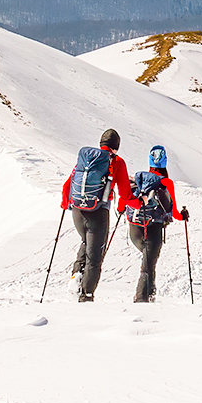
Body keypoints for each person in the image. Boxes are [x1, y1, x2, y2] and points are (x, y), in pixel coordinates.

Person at [61, 128, 132, 302]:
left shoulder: (87, 159)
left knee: (86, 242)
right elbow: (125, 194)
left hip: (78, 211)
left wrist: (66, 205)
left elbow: (67, 185)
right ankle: (86, 296)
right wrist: (139, 203)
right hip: (98, 213)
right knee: (95, 256)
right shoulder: (117, 162)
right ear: (116, 147)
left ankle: (75, 278)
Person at [120, 144, 189, 303]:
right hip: (153, 228)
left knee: (148, 264)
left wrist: (121, 210)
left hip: (134, 229)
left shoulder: (139, 179)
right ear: (164, 162)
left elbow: (123, 202)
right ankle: (142, 302)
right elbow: (173, 212)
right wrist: (183, 216)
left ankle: (150, 296)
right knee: (148, 266)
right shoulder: (166, 182)